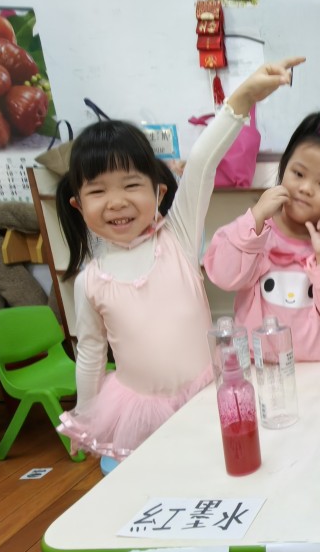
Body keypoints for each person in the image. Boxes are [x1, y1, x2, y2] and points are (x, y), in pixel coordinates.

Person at [55, 57, 305, 472]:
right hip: (137, 411)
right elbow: (91, 354)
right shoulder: (90, 281)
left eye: (131, 185)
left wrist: (241, 99)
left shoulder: (179, 236)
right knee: (157, 482)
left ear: (158, 193)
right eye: (98, 191)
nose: (116, 202)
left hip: (205, 395)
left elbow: (203, 161)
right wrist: (86, 415)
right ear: (79, 205)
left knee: (213, 473)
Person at [204, 112, 320, 361]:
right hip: (261, 367)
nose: (305, 188)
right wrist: (255, 218)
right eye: (298, 174)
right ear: (283, 170)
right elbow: (223, 276)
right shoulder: (256, 233)